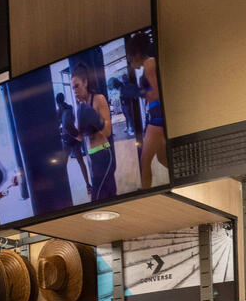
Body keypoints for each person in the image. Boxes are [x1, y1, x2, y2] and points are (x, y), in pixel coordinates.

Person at [126, 31, 167, 187]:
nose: (130, 63)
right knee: (162, 158)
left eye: (130, 59)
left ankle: (145, 192)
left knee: (144, 161)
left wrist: (138, 92)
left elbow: (157, 94)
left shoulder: (149, 64)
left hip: (158, 119)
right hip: (156, 117)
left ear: (136, 55)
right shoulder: (148, 65)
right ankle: (185, 173)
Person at [72, 65, 117, 202]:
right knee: (108, 194)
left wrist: (97, 120)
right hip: (92, 156)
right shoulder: (80, 108)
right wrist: (69, 130)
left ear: (85, 82)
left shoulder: (99, 99)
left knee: (98, 197)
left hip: (104, 154)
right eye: (73, 88)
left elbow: (108, 131)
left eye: (77, 86)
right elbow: (80, 137)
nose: (75, 91)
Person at [55, 92, 88, 193]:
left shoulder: (59, 111)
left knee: (63, 165)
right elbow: (71, 122)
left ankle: (64, 189)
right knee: (81, 162)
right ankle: (88, 186)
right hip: (74, 138)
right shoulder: (69, 108)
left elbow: (61, 125)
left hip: (66, 139)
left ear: (57, 102)